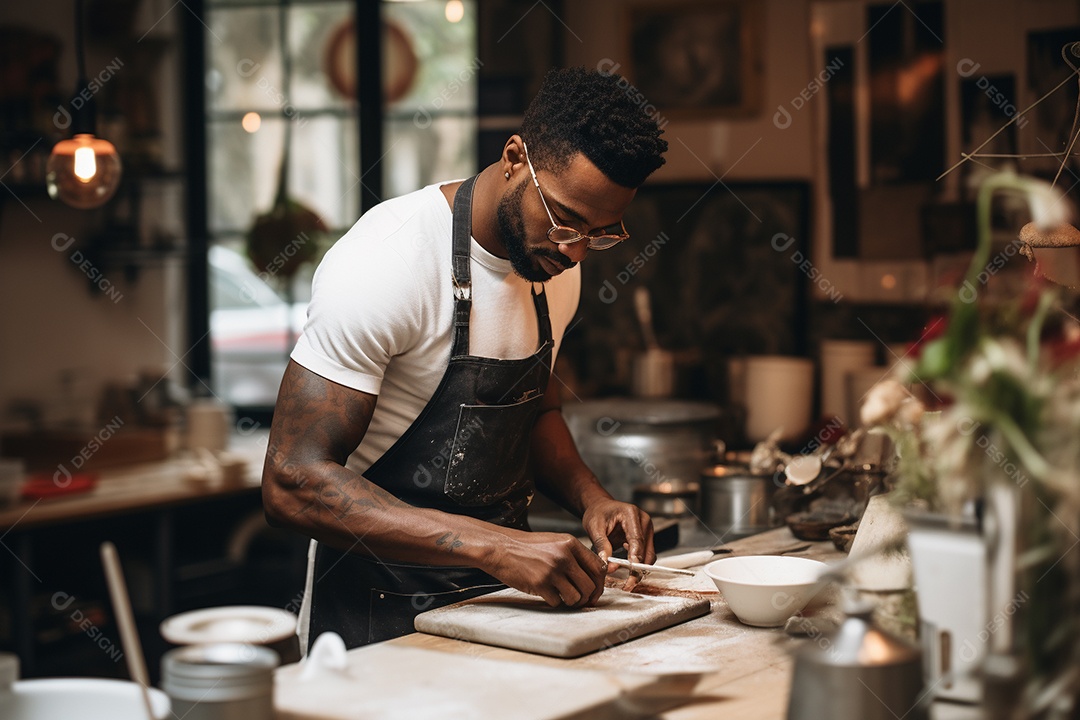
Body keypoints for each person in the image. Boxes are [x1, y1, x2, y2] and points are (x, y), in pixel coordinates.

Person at [262, 66, 670, 651]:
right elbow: (291, 483)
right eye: (565, 221)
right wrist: (498, 546)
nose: (577, 252)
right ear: (514, 158)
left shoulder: (554, 266)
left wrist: (592, 498)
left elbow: (537, 412)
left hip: (501, 613)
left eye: (601, 234)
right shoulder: (387, 262)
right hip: (376, 621)